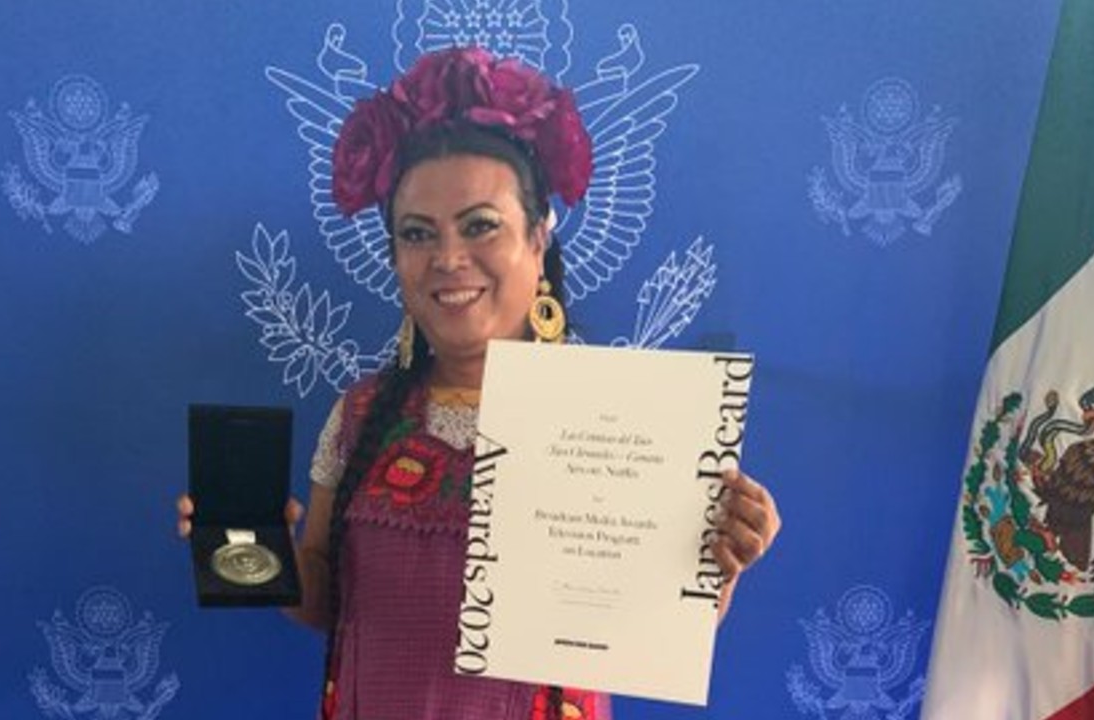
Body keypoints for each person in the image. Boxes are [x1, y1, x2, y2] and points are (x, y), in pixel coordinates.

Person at [178, 46, 781, 720]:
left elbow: (645, 630)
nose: (448, 258)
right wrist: (260, 554)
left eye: (480, 226)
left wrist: (722, 558)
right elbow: (323, 606)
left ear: (539, 237)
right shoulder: (360, 415)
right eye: (417, 234)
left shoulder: (624, 424)